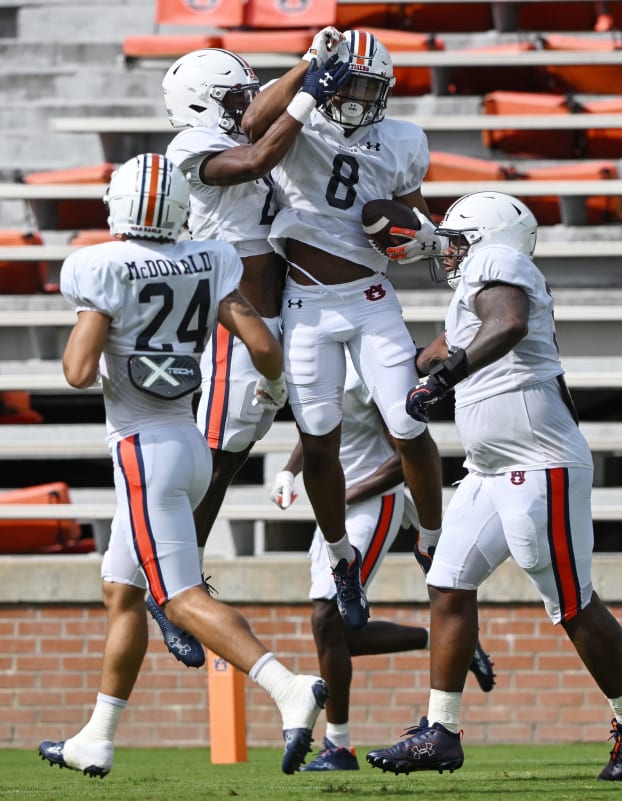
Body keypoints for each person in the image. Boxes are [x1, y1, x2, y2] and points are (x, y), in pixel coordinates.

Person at [37, 154, 328, 778]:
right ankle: (98, 737)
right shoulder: (211, 256)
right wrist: (274, 392)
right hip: (191, 443)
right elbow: (263, 347)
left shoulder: (101, 266)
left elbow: (79, 372)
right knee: (122, 591)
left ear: (118, 203)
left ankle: (286, 687)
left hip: (144, 451)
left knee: (179, 599)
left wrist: (111, 321)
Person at [364, 191, 622, 781]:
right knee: (448, 583)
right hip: (488, 469)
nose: (451, 253)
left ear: (483, 238)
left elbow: (508, 322)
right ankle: (441, 732)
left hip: (539, 462)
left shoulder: (497, 263)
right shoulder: (470, 291)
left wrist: (446, 377)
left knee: (572, 604)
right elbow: (431, 354)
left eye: (458, 241)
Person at [145, 33, 350, 667]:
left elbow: (260, 120)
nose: (246, 104)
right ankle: (175, 586)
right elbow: (258, 159)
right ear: (202, 104)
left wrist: (309, 64)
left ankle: (333, 559)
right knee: (216, 456)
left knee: (238, 453)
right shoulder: (191, 147)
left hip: (281, 309)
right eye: (233, 96)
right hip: (236, 320)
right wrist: (306, 98)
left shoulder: (231, 129)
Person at [241, 29, 448, 632]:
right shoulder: (298, 121)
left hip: (372, 297)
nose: (357, 96)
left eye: (368, 85)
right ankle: (341, 559)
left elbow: (415, 221)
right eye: (348, 82)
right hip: (306, 303)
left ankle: (431, 538)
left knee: (409, 424)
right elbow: (253, 126)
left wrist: (423, 239)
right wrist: (307, 67)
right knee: (320, 441)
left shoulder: (403, 139)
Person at [269, 351, 495, 771]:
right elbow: (317, 429)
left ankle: (338, 746)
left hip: (372, 502)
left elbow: (408, 454)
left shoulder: (367, 366)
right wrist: (289, 471)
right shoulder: (318, 356)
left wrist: (347, 494)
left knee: (327, 618)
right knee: (337, 632)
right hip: (334, 504)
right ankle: (447, 642)